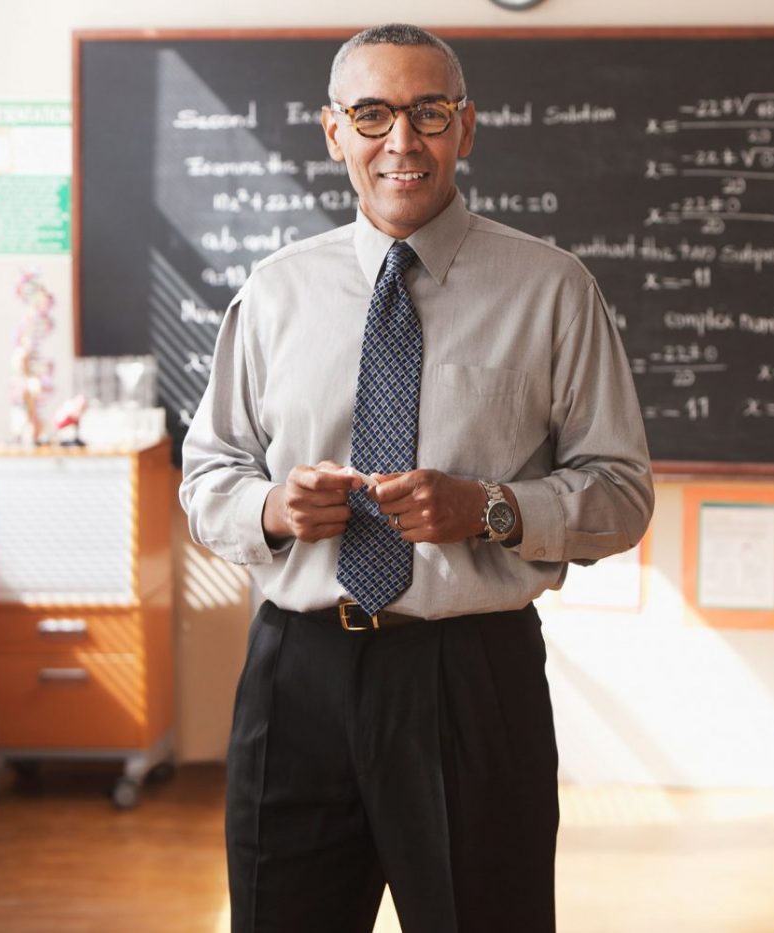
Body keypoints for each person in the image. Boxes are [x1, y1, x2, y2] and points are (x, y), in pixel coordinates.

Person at [180, 22, 653, 933]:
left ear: (465, 129)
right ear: (334, 133)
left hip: (471, 681)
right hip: (297, 674)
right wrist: (272, 506)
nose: (402, 142)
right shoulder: (275, 293)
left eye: (428, 113)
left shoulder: (553, 290)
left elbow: (623, 491)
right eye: (373, 114)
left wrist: (494, 507)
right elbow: (208, 475)